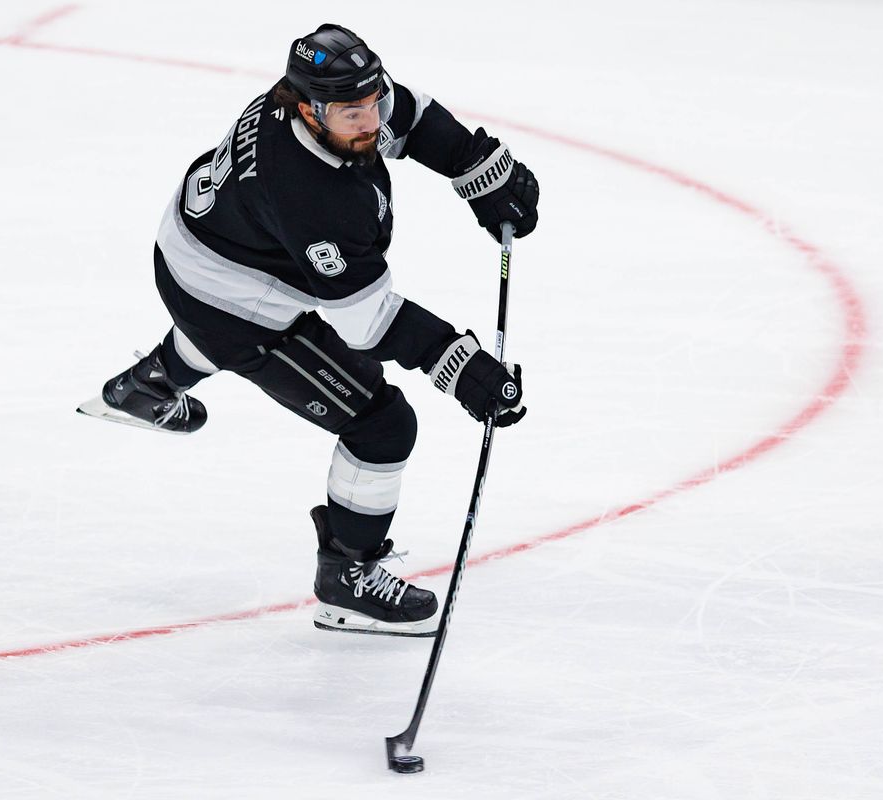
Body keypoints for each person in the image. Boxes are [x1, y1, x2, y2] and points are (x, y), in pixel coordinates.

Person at [78, 24, 538, 636]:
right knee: (381, 423)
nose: (371, 120)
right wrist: (459, 366)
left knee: (236, 321)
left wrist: (478, 167)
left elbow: (412, 115)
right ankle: (348, 578)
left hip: (198, 244)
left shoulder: (333, 103)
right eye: (354, 113)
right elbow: (366, 322)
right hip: (227, 300)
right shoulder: (310, 195)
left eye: (373, 102)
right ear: (307, 109)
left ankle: (150, 384)